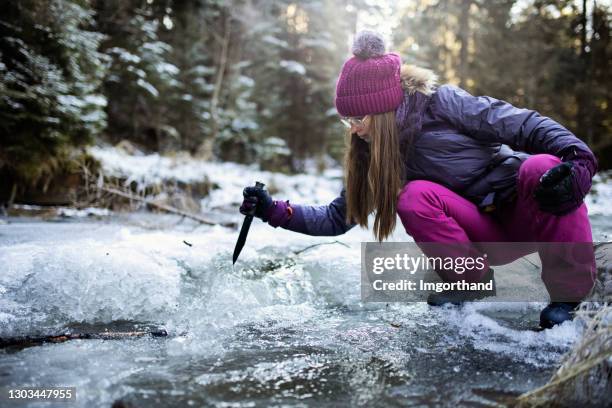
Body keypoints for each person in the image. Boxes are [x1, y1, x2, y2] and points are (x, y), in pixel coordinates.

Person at [239, 31, 598, 329]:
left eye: (359, 117)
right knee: (413, 196)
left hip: (528, 213)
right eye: (347, 120)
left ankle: (569, 299)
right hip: (484, 235)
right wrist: (274, 211)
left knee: (541, 167)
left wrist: (578, 159)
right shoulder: (369, 153)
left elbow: (523, 123)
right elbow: (336, 218)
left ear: (383, 108)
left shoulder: (442, 103)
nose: (354, 129)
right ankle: (469, 283)